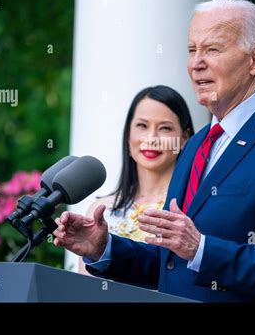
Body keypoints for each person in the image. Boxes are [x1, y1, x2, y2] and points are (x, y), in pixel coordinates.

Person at [54, 0, 255, 302]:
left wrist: (201, 248)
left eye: (212, 49)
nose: (197, 62)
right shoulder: (198, 144)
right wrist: (104, 248)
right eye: (191, 50)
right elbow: (171, 264)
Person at [77, 85, 194, 274]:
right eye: (142, 126)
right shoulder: (102, 211)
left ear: (184, 138)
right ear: (128, 133)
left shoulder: (189, 209)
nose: (151, 138)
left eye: (165, 128)